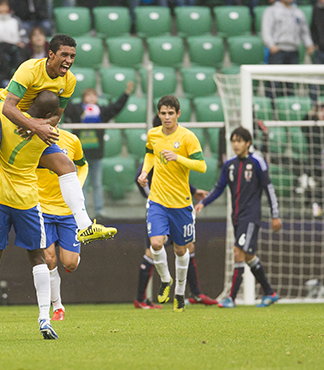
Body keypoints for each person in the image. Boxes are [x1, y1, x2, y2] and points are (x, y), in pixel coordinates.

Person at [0, 34, 116, 244]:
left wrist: (42, 125)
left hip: (31, 125)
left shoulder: (69, 81)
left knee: (67, 166)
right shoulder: (29, 69)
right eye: (64, 55)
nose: (69, 60)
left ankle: (84, 227)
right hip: (4, 113)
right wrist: (35, 125)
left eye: (72, 56)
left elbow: (57, 116)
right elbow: (8, 107)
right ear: (51, 54)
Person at [0, 90, 64, 340]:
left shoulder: (8, 119)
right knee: (38, 258)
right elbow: (53, 127)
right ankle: (44, 318)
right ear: (49, 115)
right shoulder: (49, 136)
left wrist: (6, 104)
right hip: (27, 202)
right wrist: (45, 123)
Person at [133, 116, 217, 309]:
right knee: (153, 247)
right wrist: (152, 199)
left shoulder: (178, 144)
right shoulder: (154, 146)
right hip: (159, 207)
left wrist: (194, 191)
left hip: (179, 206)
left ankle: (191, 292)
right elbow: (143, 176)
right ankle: (141, 297)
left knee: (185, 248)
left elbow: (176, 177)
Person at [195, 127, 282, 308]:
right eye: (233, 141)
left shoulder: (257, 162)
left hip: (251, 217)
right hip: (236, 217)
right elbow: (219, 188)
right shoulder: (229, 164)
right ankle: (270, 292)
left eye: (239, 141)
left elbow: (269, 188)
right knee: (249, 256)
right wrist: (204, 202)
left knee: (238, 252)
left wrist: (275, 215)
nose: (236, 144)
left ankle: (231, 298)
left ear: (248, 143)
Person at [39, 128, 88, 321]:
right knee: (49, 260)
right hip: (42, 209)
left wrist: (77, 185)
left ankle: (70, 258)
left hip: (68, 211)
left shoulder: (71, 140)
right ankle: (57, 307)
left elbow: (83, 165)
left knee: (70, 263)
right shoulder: (32, 139)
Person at [63, 85, 133, 219]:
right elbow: (67, 106)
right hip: (80, 155)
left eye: (93, 95)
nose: (91, 98)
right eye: (88, 95)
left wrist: (126, 94)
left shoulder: (101, 111)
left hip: (96, 154)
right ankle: (82, 212)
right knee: (81, 184)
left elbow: (115, 108)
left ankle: (99, 211)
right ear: (83, 98)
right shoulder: (77, 109)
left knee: (97, 184)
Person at [262, 0, 314, 99]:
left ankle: (288, 109)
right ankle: (270, 109)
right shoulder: (271, 11)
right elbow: (266, 30)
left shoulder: (298, 12)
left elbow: (304, 31)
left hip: (293, 51)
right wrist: (271, 45)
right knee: (273, 83)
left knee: (290, 83)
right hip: (278, 50)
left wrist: (309, 44)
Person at [0, 0, 29, 71]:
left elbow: (23, 34)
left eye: (5, 6)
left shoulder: (16, 20)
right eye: (0, 6)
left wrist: (22, 42)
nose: (3, 8)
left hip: (14, 47)